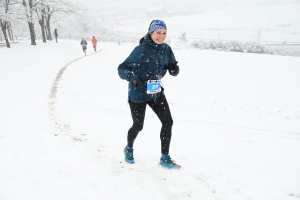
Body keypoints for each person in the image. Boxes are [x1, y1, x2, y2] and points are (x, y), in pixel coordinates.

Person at [117, 20, 181, 169]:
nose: (161, 36)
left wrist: (174, 69)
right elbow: (122, 68)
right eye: (158, 33)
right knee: (138, 125)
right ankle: (129, 148)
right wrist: (132, 78)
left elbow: (174, 71)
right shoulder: (141, 49)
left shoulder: (166, 49)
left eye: (164, 33)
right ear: (151, 33)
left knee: (168, 122)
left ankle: (165, 157)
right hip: (138, 92)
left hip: (156, 92)